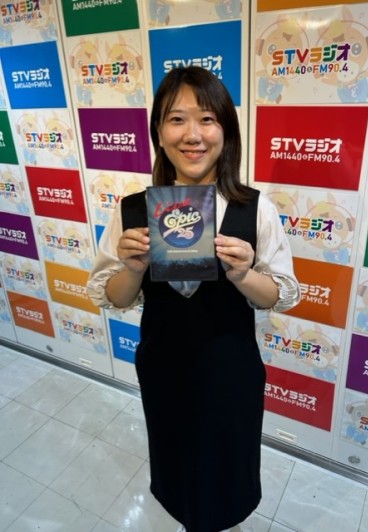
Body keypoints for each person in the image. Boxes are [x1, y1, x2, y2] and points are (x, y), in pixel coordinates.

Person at [87, 66, 300, 532]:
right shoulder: (134, 210)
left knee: (227, 468)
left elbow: (279, 296)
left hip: (230, 370)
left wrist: (244, 274)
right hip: (163, 367)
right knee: (176, 460)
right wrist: (132, 268)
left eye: (207, 119)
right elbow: (113, 297)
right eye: (176, 119)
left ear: (226, 131)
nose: (193, 135)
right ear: (159, 133)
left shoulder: (254, 208)